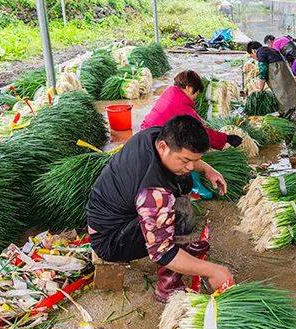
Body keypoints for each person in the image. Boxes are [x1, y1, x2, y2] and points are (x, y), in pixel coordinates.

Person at [87, 115, 234, 299]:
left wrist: (207, 169)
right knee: (179, 217)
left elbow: (187, 161)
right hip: (111, 240)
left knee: (180, 188)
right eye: (185, 160)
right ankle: (167, 286)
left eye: (194, 160)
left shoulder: (155, 136)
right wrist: (213, 271)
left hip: (110, 216)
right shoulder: (153, 192)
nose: (190, 167)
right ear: (164, 147)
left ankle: (182, 254)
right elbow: (162, 252)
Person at [140, 70, 243, 151]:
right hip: (154, 143)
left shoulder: (170, 93)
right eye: (196, 92)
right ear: (189, 88)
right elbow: (200, 133)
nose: (196, 96)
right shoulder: (182, 106)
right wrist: (227, 139)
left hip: (144, 136)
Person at [246, 39, 296, 115]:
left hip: (278, 71)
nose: (253, 58)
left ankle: (287, 114)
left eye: (251, 55)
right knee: (288, 90)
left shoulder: (260, 52)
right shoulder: (270, 49)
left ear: (253, 51)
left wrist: (260, 89)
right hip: (285, 71)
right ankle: (292, 111)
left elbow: (263, 71)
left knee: (281, 92)